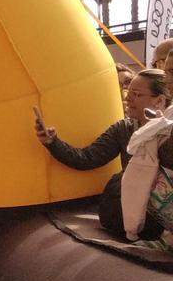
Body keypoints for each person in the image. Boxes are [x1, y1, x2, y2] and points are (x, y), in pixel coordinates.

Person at [37, 68, 170, 238]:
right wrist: (52, 142)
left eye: (136, 94)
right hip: (127, 215)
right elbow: (87, 159)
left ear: (159, 101)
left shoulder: (168, 134)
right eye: (128, 92)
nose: (128, 99)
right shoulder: (123, 129)